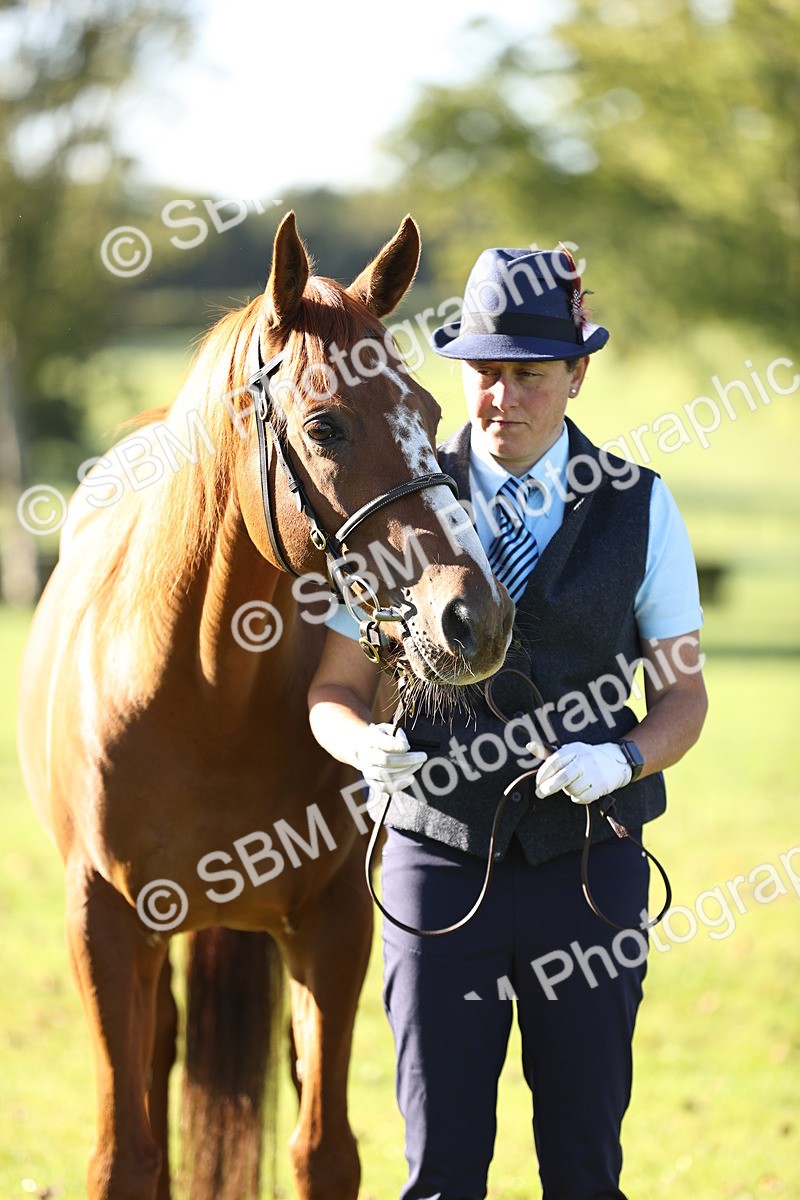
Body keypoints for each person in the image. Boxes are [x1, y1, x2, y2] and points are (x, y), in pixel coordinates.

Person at [307, 245, 708, 1200]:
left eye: (530, 374)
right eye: (485, 373)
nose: (503, 398)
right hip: (436, 864)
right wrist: (361, 745)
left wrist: (623, 758)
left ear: (576, 374)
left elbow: (684, 698)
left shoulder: (643, 508)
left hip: (590, 870)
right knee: (442, 1172)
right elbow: (332, 690)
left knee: (583, 1168)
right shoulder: (391, 504)